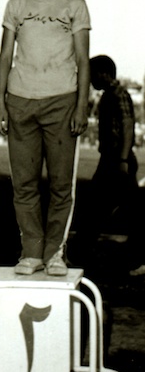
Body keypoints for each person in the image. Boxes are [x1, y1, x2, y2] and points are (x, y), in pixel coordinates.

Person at [0, 0, 90, 275]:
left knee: (62, 184)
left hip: (61, 101)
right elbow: (5, 57)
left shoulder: (74, 4)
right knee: (24, 183)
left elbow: (83, 59)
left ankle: (55, 253)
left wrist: (81, 106)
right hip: (20, 101)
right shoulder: (16, 5)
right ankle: (31, 251)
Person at [71, 55, 145, 276]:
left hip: (116, 161)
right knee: (120, 210)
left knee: (104, 209)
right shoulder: (111, 95)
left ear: (103, 73)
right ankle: (83, 253)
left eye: (93, 74)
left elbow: (127, 126)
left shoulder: (118, 95)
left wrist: (122, 160)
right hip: (113, 160)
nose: (91, 80)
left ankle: (80, 254)